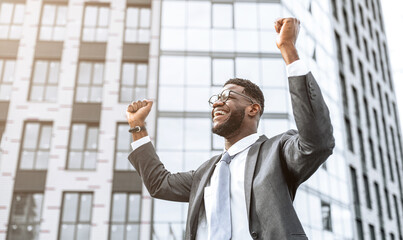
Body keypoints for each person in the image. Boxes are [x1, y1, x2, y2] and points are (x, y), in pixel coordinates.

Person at [126, 18, 335, 240]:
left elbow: (318, 142)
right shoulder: (206, 173)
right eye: (215, 98)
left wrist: (288, 49)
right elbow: (159, 184)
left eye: (227, 97)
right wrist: (137, 127)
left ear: (253, 109)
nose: (217, 102)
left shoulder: (277, 151)